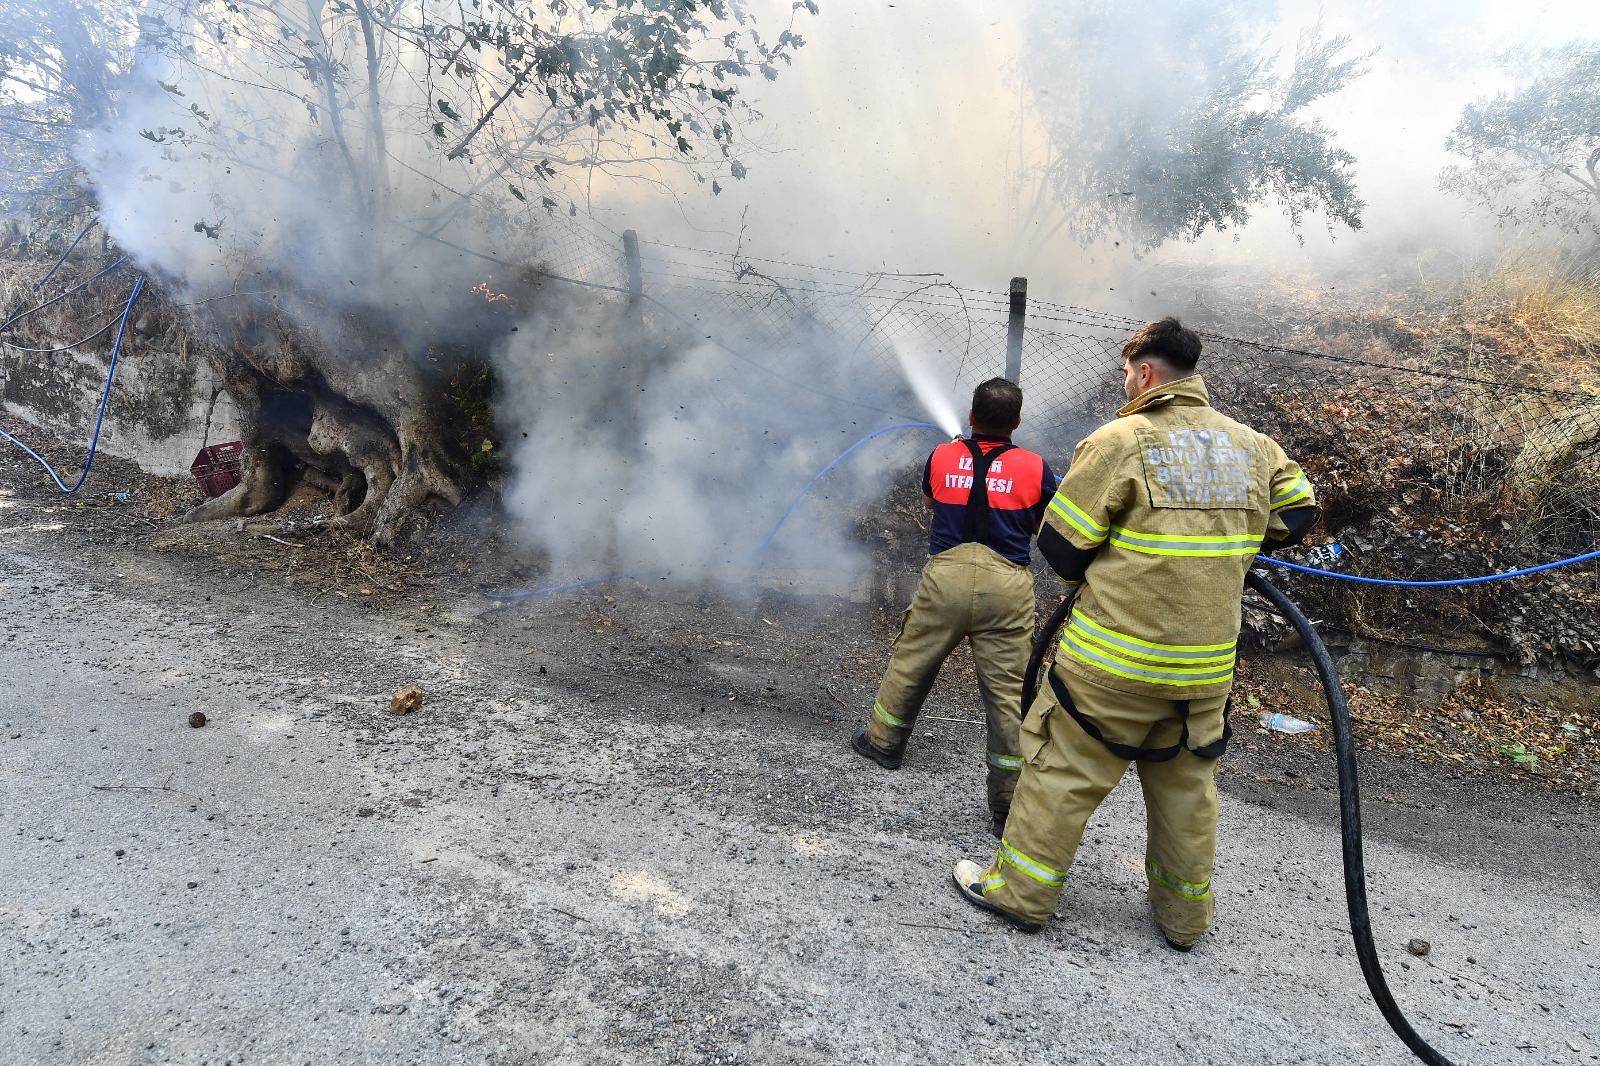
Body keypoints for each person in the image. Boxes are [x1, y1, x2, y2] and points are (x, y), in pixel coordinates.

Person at [952, 317, 1318, 949]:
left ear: (1145, 372)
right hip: (1201, 677)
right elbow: (1297, 512)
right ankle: (1183, 921)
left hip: (1110, 668)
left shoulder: (1121, 439)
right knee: (1186, 790)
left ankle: (1020, 893)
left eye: (1128, 373)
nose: (1126, 383)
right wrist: (1227, 542)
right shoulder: (1252, 446)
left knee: (1062, 772)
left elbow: (1062, 551)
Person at [852, 377, 1059, 837]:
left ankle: (883, 744)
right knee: (1007, 693)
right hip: (1006, 585)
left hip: (944, 575)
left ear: (970, 416)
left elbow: (931, 500)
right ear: (1018, 422)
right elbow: (1046, 517)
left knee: (911, 660)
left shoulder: (943, 455)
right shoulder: (1035, 466)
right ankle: (1007, 803)